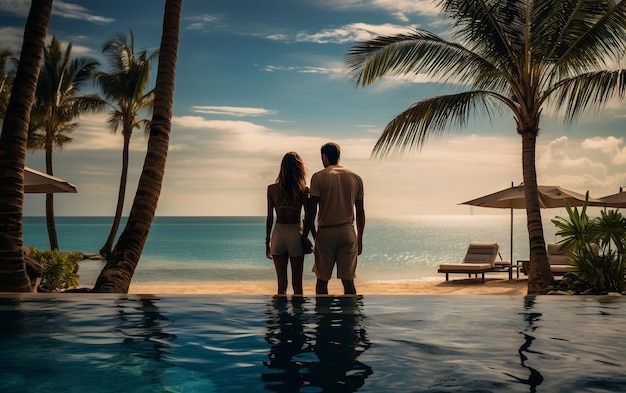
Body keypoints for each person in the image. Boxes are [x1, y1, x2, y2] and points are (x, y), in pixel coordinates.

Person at [302, 142, 365, 295]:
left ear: (324, 156)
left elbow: (311, 211)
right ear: (339, 156)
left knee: (322, 280)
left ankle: (323, 317)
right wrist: (360, 239)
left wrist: (304, 236)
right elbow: (360, 212)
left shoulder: (318, 177)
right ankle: (350, 316)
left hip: (326, 233)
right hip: (347, 231)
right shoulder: (356, 178)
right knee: (348, 281)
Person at [266, 152, 309, 295]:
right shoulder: (303, 190)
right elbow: (309, 217)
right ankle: (298, 316)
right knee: (297, 286)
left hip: (278, 234)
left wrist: (267, 242)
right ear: (299, 169)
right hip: (295, 233)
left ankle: (280, 316)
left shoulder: (272, 189)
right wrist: (310, 238)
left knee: (281, 286)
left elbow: (269, 218)